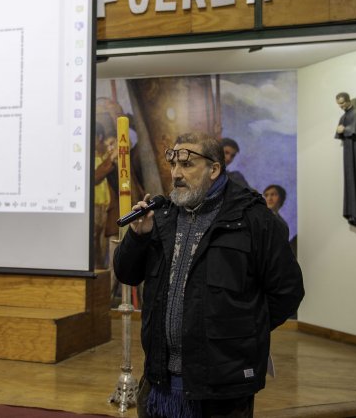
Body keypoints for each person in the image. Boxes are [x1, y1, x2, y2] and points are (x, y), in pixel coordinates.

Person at [113, 132, 304, 418]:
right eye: (174, 163)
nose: (176, 173)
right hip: (160, 381)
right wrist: (137, 237)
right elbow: (127, 273)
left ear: (214, 169)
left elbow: (287, 291)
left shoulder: (252, 219)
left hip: (222, 387)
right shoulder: (163, 216)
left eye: (187, 164)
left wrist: (243, 332)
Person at [334, 92, 356, 228]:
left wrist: (344, 129)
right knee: (348, 179)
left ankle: (355, 214)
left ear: (348, 101)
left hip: (355, 151)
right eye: (339, 104)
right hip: (347, 150)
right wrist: (340, 130)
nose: (341, 106)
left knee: (354, 179)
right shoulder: (343, 117)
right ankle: (349, 211)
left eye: (342, 103)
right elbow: (339, 133)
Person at [93, 123, 118, 269]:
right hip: (94, 207)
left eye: (112, 144)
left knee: (106, 246)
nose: (110, 147)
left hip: (109, 208)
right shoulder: (90, 156)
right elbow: (96, 176)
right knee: (96, 247)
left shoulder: (110, 157)